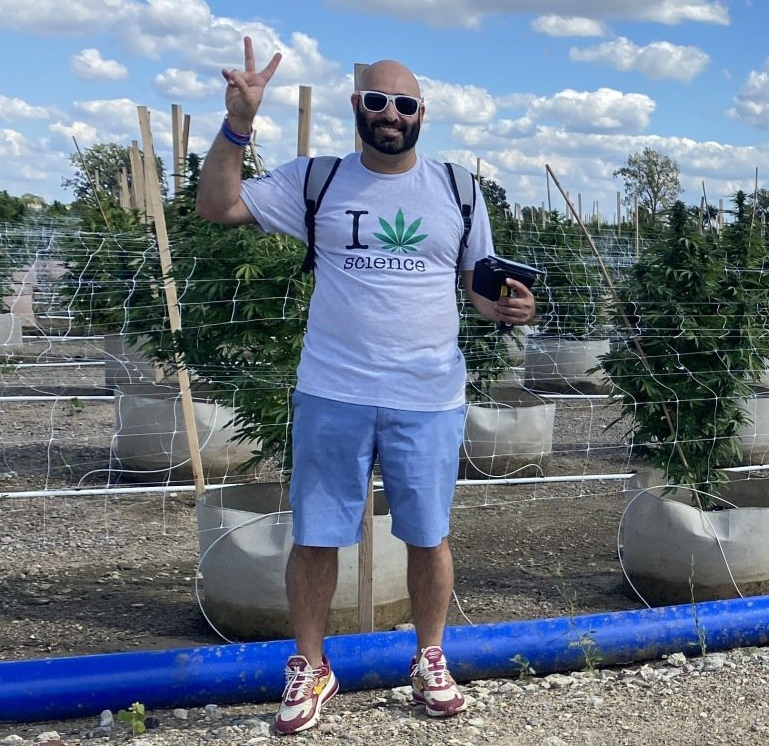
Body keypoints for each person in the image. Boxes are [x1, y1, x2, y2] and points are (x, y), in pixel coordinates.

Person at [196, 37, 535, 736]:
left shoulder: (458, 188)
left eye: (404, 104)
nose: (390, 113)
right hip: (333, 391)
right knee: (317, 537)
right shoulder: (315, 180)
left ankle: (430, 657)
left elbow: (476, 285)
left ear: (422, 114)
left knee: (429, 535)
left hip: (429, 396)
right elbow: (218, 206)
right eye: (378, 101)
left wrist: (506, 305)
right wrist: (238, 123)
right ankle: (310, 665)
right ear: (357, 107)